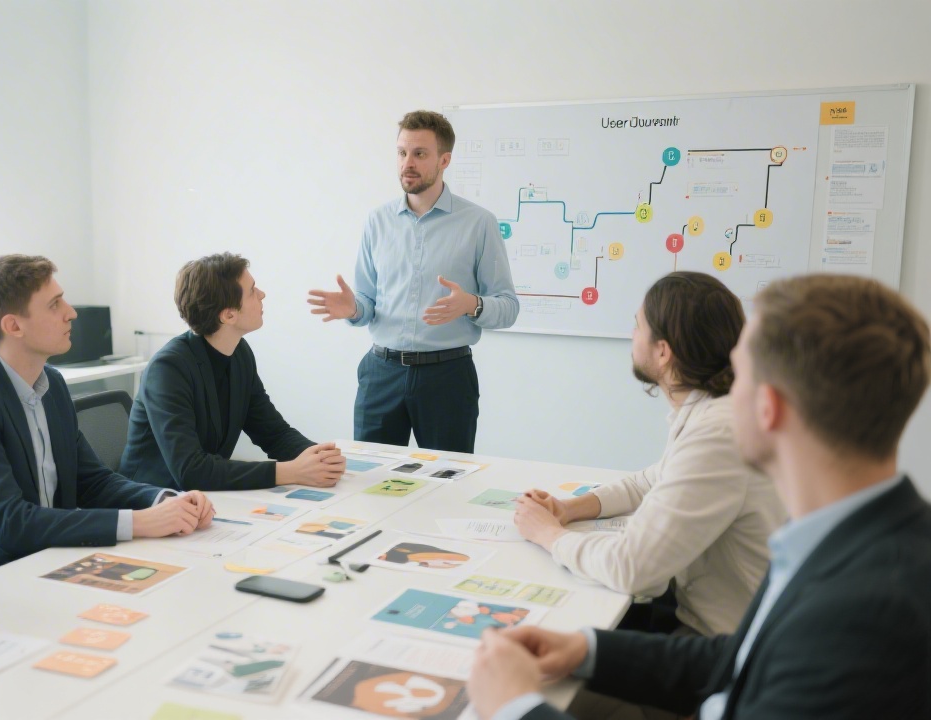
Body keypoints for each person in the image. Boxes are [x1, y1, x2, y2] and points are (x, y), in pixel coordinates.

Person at [468, 274, 931, 720]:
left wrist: (517, 709)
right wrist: (588, 648)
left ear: (768, 409)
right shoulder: (845, 541)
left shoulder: (866, 609)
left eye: (741, 371)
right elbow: (746, 653)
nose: (724, 389)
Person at [513, 272, 785, 637]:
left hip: (718, 644)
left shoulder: (719, 433)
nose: (631, 335)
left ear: (663, 350)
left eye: (637, 325)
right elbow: (650, 479)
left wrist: (549, 536)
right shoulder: (714, 410)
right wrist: (569, 508)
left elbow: (632, 569)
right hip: (706, 619)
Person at [0, 255, 214, 575]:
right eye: (54, 305)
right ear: (13, 325)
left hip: (54, 558)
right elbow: (9, 524)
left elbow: (92, 481)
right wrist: (138, 523)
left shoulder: (53, 385)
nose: (71, 313)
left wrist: (165, 501)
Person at [308, 110, 520, 453]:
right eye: (402, 152)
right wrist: (353, 309)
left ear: (444, 159)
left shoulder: (479, 223)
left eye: (420, 154)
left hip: (447, 377)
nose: (408, 162)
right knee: (371, 482)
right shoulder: (377, 221)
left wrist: (471, 304)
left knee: (447, 483)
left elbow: (509, 307)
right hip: (381, 373)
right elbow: (366, 302)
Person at [120, 253, 345, 491]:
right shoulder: (167, 369)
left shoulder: (239, 353)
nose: (262, 295)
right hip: (151, 502)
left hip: (203, 500)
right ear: (228, 315)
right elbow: (191, 470)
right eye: (252, 291)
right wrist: (291, 472)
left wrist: (319, 457)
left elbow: (273, 433)